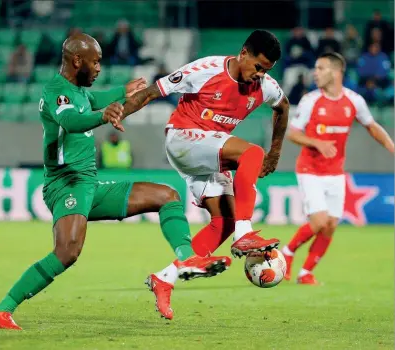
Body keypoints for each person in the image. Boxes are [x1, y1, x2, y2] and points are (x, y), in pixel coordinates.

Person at [0, 33, 231, 330]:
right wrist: (103, 116)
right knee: (67, 253)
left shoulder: (78, 91)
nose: (99, 67)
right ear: (77, 61)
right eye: (95, 62)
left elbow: (95, 99)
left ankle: (187, 258)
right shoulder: (57, 93)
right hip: (67, 184)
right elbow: (72, 121)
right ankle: (1, 310)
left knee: (166, 195)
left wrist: (122, 92)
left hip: (89, 184)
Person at [108, 30, 290, 319]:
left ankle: (164, 279)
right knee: (253, 154)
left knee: (223, 222)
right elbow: (153, 92)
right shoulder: (205, 70)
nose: (259, 75)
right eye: (257, 67)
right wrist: (118, 113)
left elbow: (283, 107)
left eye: (265, 71)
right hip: (183, 139)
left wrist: (277, 152)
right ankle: (245, 234)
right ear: (243, 53)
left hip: (209, 151)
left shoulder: (264, 86)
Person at [281, 52, 394, 285]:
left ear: (336, 71)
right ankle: (287, 252)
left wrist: (391, 146)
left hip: (335, 173)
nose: (315, 73)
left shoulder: (354, 100)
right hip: (310, 170)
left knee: (331, 225)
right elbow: (293, 133)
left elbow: (372, 126)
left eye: (320, 68)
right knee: (320, 221)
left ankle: (306, 273)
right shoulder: (310, 100)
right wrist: (317, 142)